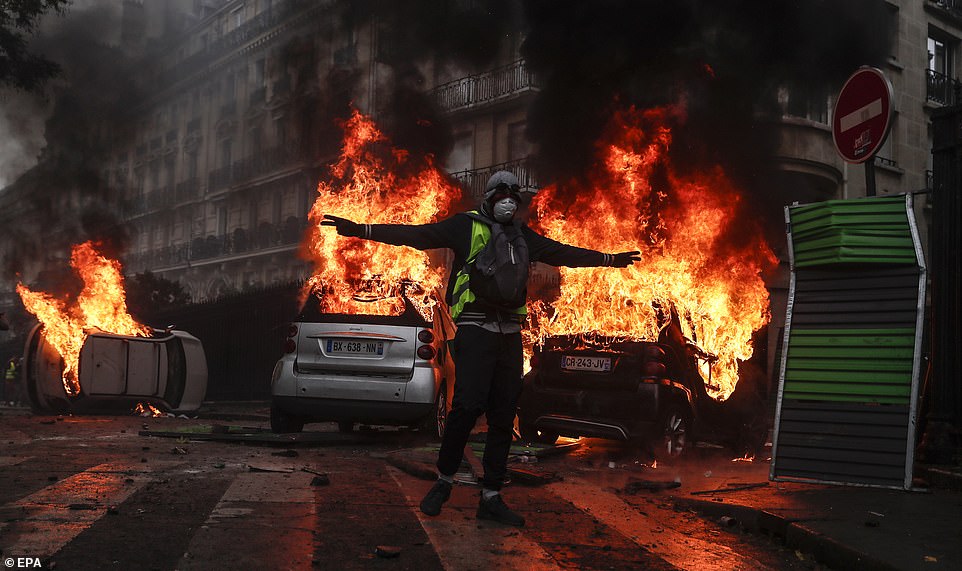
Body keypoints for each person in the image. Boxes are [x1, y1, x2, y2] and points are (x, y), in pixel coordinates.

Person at [322, 171, 639, 527]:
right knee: (468, 405)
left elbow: (562, 253)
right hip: (474, 329)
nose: (508, 201)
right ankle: (444, 481)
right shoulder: (464, 226)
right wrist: (361, 230)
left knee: (504, 413)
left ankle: (491, 496)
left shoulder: (522, 236)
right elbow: (416, 235)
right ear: (488, 198)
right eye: (502, 194)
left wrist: (609, 260)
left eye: (513, 197)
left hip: (509, 333)